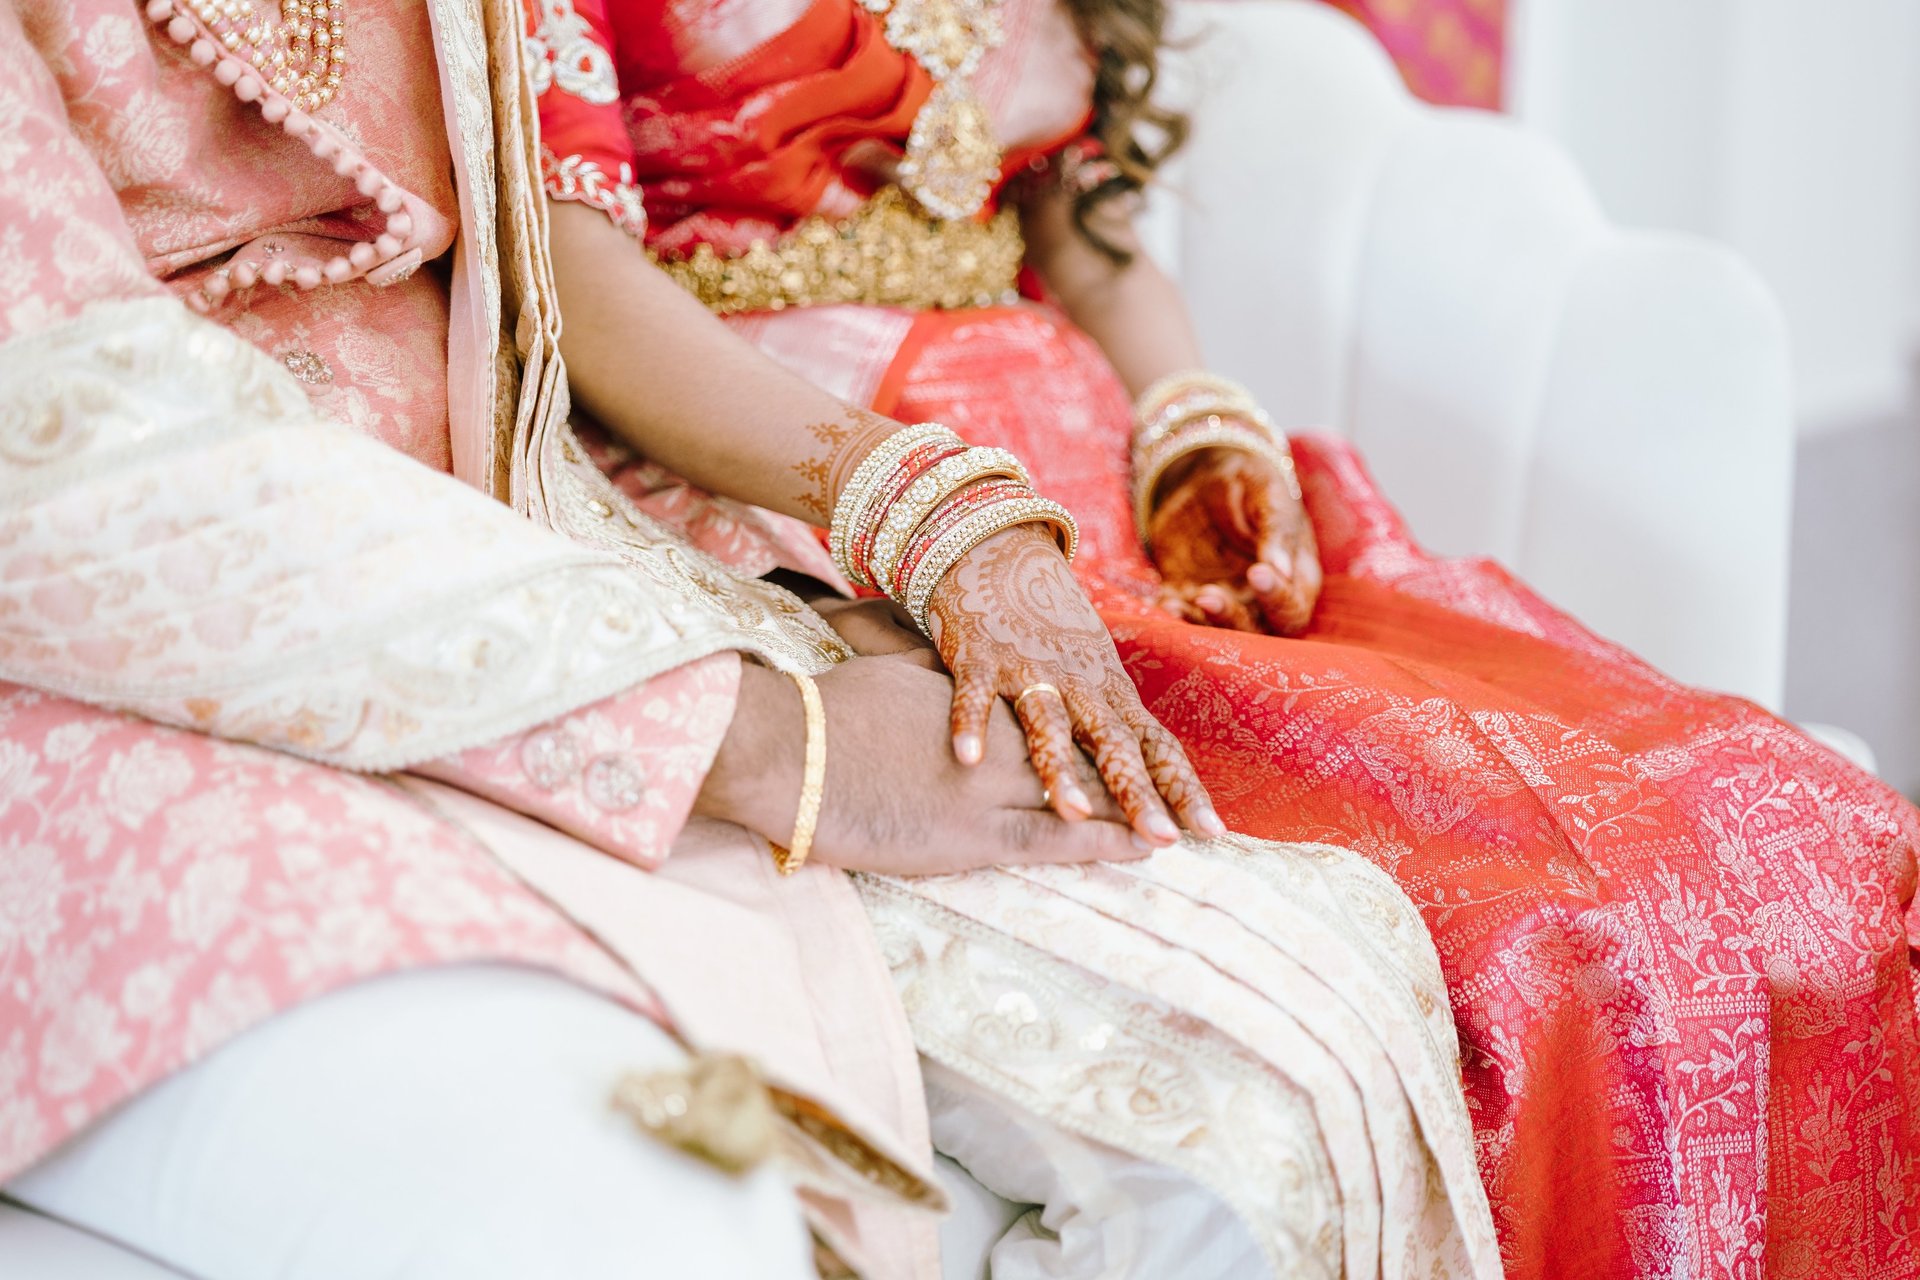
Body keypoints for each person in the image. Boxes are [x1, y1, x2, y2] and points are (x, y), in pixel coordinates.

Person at [0, 0, 1497, 1275]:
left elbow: (1077, 235)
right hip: (204, 678)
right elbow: (52, 449)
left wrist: (1159, 431)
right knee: (676, 1216)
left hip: (571, 558)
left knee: (1291, 1076)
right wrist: (779, 730)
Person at [525, 0, 1920, 1275]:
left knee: (1783, 831)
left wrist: (1190, 417)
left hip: (1099, 489)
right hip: (815, 491)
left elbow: (1083, 235)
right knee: (1527, 919)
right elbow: (569, 277)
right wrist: (916, 502)